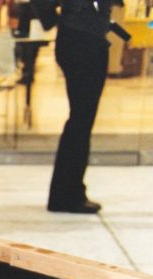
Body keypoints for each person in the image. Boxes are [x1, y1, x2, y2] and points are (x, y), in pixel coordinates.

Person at [44, 0, 119, 214]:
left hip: (83, 36)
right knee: (81, 120)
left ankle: (69, 191)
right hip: (82, 40)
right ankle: (66, 195)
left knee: (81, 120)